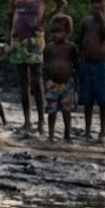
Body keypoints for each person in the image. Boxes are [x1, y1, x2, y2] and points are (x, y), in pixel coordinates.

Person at [8, 0, 66, 134]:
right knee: (23, 83)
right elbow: (13, 13)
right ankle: (27, 121)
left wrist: (48, 19)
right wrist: (11, 35)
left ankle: (41, 120)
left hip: (35, 38)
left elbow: (61, 2)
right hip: (18, 40)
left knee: (36, 80)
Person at [79, 0, 105, 141]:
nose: (96, 5)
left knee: (103, 101)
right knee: (87, 101)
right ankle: (87, 131)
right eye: (93, 2)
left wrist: (101, 19)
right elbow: (81, 42)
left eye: (99, 1)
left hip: (102, 65)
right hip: (87, 64)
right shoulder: (86, 22)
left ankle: (102, 131)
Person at [42, 13, 80, 142]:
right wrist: (46, 82)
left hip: (67, 84)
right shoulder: (48, 48)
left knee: (66, 110)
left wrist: (76, 86)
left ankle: (67, 134)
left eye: (59, 32)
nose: (55, 35)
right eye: (53, 32)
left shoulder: (71, 48)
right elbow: (45, 66)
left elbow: (76, 66)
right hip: (52, 84)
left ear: (67, 32)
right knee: (51, 111)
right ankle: (51, 135)